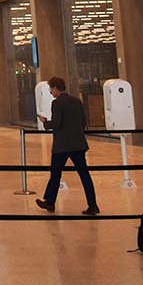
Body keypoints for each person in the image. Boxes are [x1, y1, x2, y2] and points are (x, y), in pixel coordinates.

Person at [33, 78, 99, 216]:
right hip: (78, 144)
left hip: (62, 146)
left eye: (51, 89)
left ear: (55, 88)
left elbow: (56, 124)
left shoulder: (57, 103)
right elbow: (83, 122)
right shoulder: (76, 101)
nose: (51, 92)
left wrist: (45, 122)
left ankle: (50, 201)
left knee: (55, 174)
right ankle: (92, 204)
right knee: (84, 175)